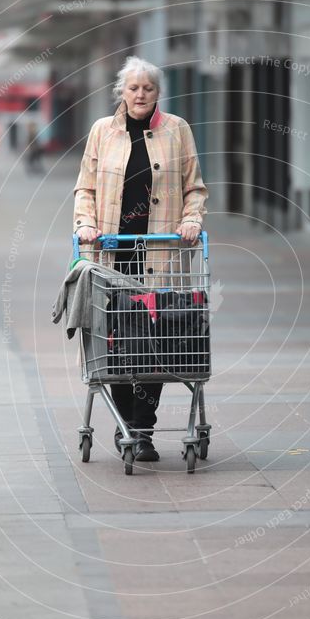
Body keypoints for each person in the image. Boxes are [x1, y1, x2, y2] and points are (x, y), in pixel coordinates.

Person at [73, 56, 208, 462]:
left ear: (157, 93)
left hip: (161, 252)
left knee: (157, 339)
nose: (140, 94)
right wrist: (84, 225)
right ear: (122, 92)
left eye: (147, 88)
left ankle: (142, 429)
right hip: (112, 254)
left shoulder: (177, 130)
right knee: (116, 339)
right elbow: (86, 189)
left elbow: (194, 188)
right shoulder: (102, 132)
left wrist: (191, 220)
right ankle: (126, 426)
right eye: (133, 88)